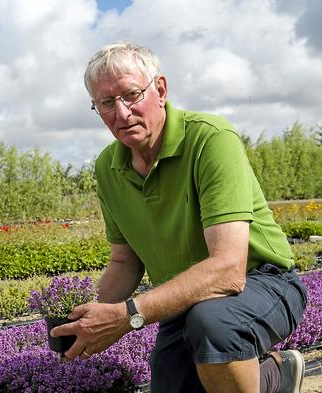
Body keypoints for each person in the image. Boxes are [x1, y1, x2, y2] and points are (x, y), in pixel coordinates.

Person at [51, 42, 308, 393]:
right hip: (185, 298)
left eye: (131, 95)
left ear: (160, 89)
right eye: (106, 103)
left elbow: (230, 270)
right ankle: (274, 378)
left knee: (215, 327)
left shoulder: (210, 139)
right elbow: (125, 260)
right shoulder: (108, 167)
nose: (121, 114)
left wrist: (126, 317)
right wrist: (92, 317)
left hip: (263, 281)